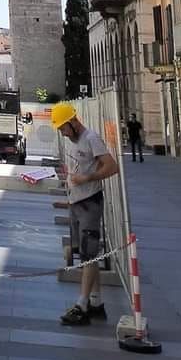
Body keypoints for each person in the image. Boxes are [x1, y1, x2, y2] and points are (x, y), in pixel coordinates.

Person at [50, 101, 119, 327]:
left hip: (89, 202)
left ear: (72, 122)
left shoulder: (91, 138)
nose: (62, 132)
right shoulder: (73, 141)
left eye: (63, 128)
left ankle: (82, 306)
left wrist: (87, 178)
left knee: (89, 256)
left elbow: (111, 166)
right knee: (88, 256)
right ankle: (96, 302)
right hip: (76, 202)